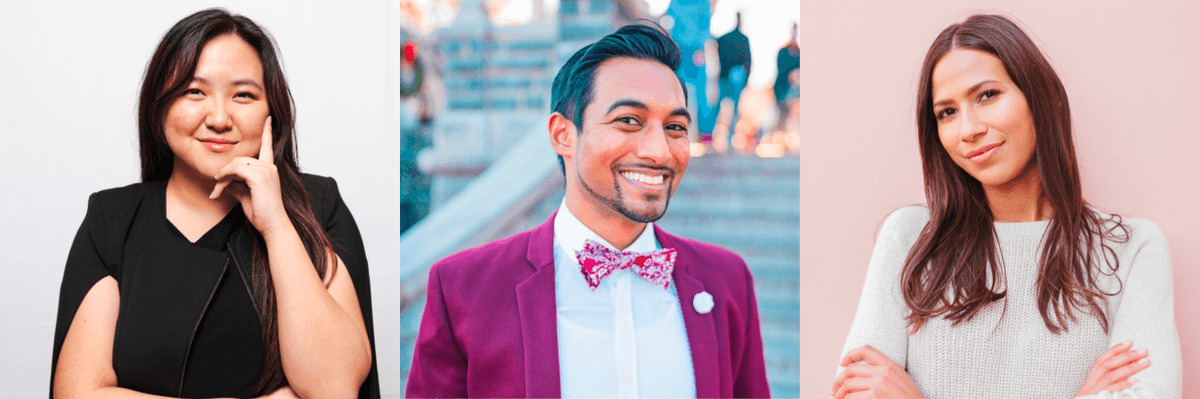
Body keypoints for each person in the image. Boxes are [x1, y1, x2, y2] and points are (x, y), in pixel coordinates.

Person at [406, 23, 770, 398]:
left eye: (675, 127)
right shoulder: (463, 288)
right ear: (563, 135)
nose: (660, 152)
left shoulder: (727, 281)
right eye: (629, 120)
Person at [832, 14, 1180, 398]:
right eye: (947, 112)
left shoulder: (1131, 250)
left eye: (987, 95)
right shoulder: (910, 240)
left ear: (1039, 96)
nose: (968, 129)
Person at [50, 9, 380, 399]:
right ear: (160, 106)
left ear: (271, 112)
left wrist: (276, 225)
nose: (219, 118)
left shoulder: (318, 207)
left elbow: (333, 389)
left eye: (243, 95)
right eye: (195, 92)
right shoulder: (113, 220)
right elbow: (78, 393)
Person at [715, 11, 751, 152]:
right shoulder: (735, 39)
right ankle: (718, 136)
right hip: (727, 78)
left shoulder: (730, 39)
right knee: (724, 108)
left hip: (728, 78)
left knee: (724, 108)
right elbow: (748, 64)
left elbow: (748, 64)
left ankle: (724, 137)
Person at [772, 22, 799, 138]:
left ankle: (791, 138)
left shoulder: (800, 52)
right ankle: (780, 138)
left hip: (796, 91)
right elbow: (781, 71)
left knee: (793, 116)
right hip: (782, 90)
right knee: (782, 115)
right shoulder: (783, 52)